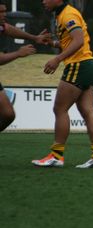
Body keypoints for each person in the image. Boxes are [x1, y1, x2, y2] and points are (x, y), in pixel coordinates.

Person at [32, 0, 93, 168]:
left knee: (59, 109)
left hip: (78, 65)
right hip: (88, 64)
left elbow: (78, 40)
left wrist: (57, 58)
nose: (43, 1)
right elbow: (72, 40)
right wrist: (53, 44)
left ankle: (56, 156)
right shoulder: (62, 15)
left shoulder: (68, 14)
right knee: (87, 111)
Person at [0, 0, 48, 131]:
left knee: (8, 115)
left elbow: (8, 29)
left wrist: (34, 38)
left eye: (5, 11)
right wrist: (18, 53)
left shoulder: (1, 25)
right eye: (1, 11)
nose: (4, 14)